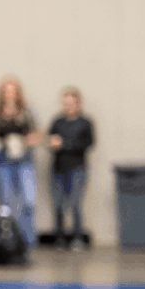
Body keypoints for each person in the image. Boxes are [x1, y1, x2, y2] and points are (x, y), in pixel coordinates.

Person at [0, 77, 40, 250]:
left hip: (23, 162)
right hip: (2, 162)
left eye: (13, 90)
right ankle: (7, 239)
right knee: (5, 202)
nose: (10, 94)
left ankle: (28, 240)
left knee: (28, 202)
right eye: (6, 91)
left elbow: (35, 135)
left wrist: (26, 142)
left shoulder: (27, 114)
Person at [47, 87, 95, 249]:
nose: (68, 106)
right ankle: (60, 237)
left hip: (77, 168)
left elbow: (87, 144)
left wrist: (65, 144)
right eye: (65, 103)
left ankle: (77, 237)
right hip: (58, 168)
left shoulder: (85, 123)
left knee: (75, 203)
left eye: (71, 103)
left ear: (78, 104)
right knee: (58, 204)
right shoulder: (57, 122)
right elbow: (50, 140)